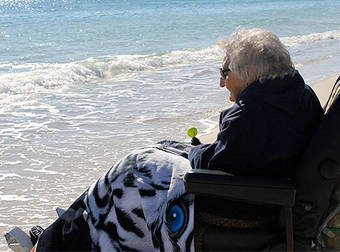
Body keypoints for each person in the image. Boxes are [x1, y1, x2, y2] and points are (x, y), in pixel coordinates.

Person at [188, 28, 323, 178]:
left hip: (259, 194)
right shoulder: (305, 94)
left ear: (246, 73)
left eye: (223, 73)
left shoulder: (245, 117)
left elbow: (211, 165)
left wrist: (193, 151)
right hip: (291, 181)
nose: (221, 83)